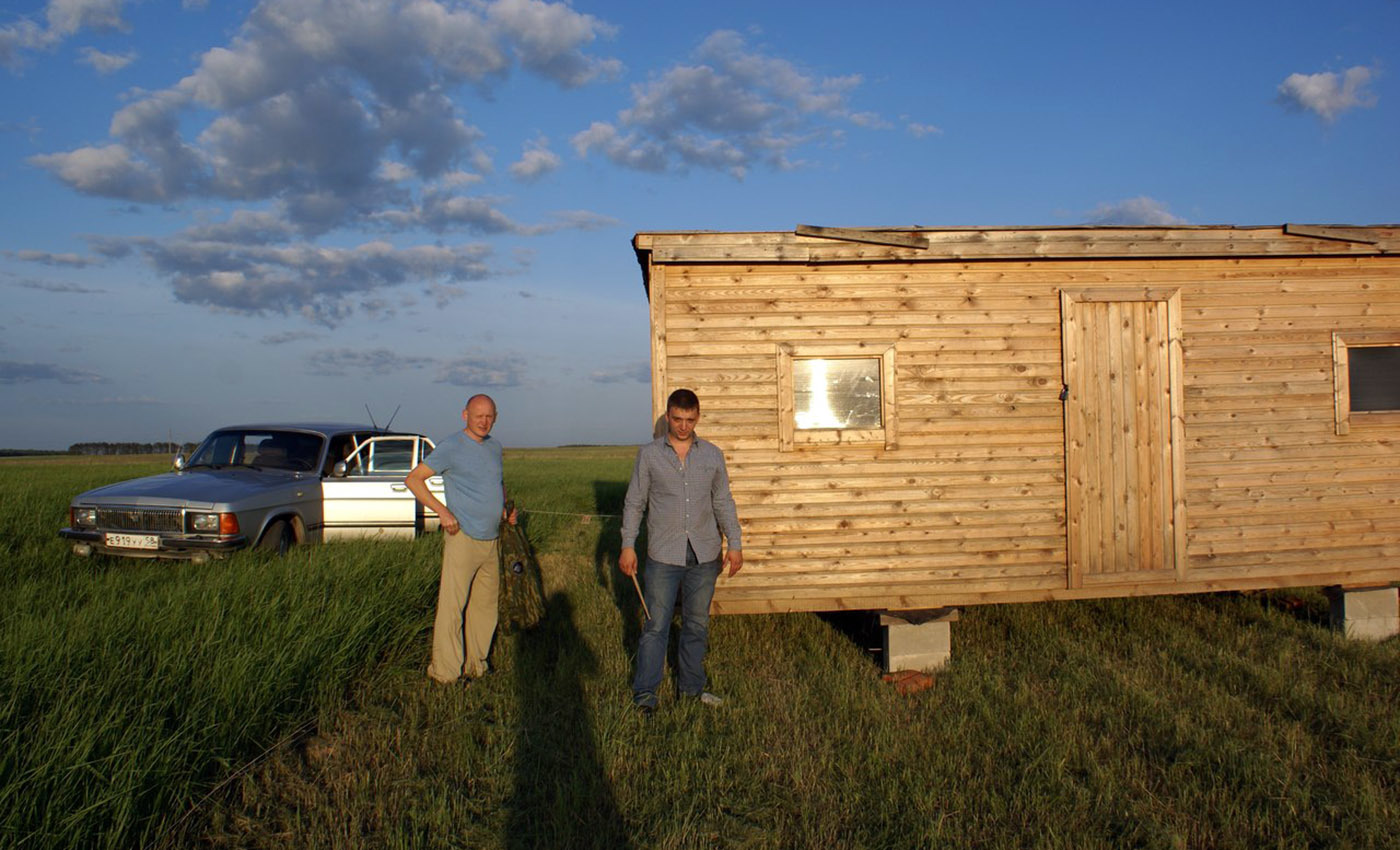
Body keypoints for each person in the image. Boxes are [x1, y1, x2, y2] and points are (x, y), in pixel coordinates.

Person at [619, 388, 743, 712]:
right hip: (663, 555)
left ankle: (691, 689)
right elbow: (635, 503)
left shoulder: (712, 455)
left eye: (689, 420)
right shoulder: (649, 455)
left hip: (704, 555)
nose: (683, 426)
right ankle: (646, 695)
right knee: (655, 625)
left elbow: (723, 502)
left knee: (696, 624)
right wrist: (627, 546)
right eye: (677, 419)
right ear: (668, 416)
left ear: (697, 417)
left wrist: (735, 544)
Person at [406, 394, 517, 684]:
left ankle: (476, 665)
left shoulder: (494, 447)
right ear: (464, 415)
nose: (484, 421)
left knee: (484, 607)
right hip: (463, 537)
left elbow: (497, 483)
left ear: (496, 417)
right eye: (478, 415)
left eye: (490, 416)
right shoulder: (452, 446)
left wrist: (505, 511)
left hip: (492, 539)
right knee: (452, 608)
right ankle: (445, 672)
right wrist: (443, 512)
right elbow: (414, 479)